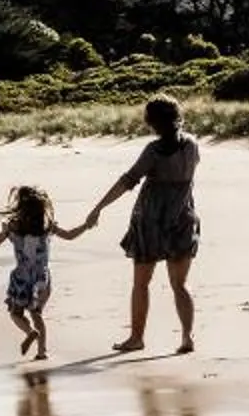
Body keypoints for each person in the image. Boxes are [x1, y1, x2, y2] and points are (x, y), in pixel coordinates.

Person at [78, 96, 202, 354]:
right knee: (180, 285)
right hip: (182, 219)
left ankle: (136, 338)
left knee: (141, 284)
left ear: (151, 122)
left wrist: (98, 208)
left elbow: (127, 181)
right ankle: (187, 338)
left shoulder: (153, 151)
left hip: (151, 223)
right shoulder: (192, 146)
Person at [0, 183, 88, 359]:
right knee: (37, 314)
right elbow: (70, 235)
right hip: (41, 278)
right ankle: (42, 351)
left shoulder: (13, 228)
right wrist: (86, 226)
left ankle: (30, 332)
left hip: (21, 279)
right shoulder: (47, 227)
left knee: (15, 313)